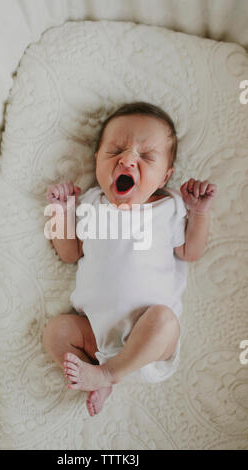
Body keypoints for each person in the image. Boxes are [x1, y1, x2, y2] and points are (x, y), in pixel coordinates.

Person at [42, 102, 217, 417]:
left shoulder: (169, 207)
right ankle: (101, 373)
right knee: (56, 332)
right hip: (94, 331)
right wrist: (61, 211)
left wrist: (199, 212)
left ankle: (109, 373)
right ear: (96, 160)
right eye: (114, 151)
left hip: (147, 329)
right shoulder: (91, 204)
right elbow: (69, 252)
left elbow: (190, 252)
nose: (127, 159)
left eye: (146, 156)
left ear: (166, 175)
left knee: (165, 321)